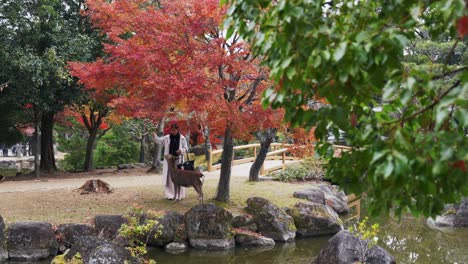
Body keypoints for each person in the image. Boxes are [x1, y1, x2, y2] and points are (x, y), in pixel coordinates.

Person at [153, 123, 189, 200]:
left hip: (178, 159)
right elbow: (159, 141)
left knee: (179, 177)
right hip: (169, 160)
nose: (173, 132)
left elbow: (186, 148)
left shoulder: (182, 138)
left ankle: (180, 195)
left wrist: (181, 150)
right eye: (171, 130)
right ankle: (169, 195)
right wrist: (155, 136)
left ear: (177, 130)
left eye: (174, 130)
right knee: (169, 177)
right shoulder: (167, 137)